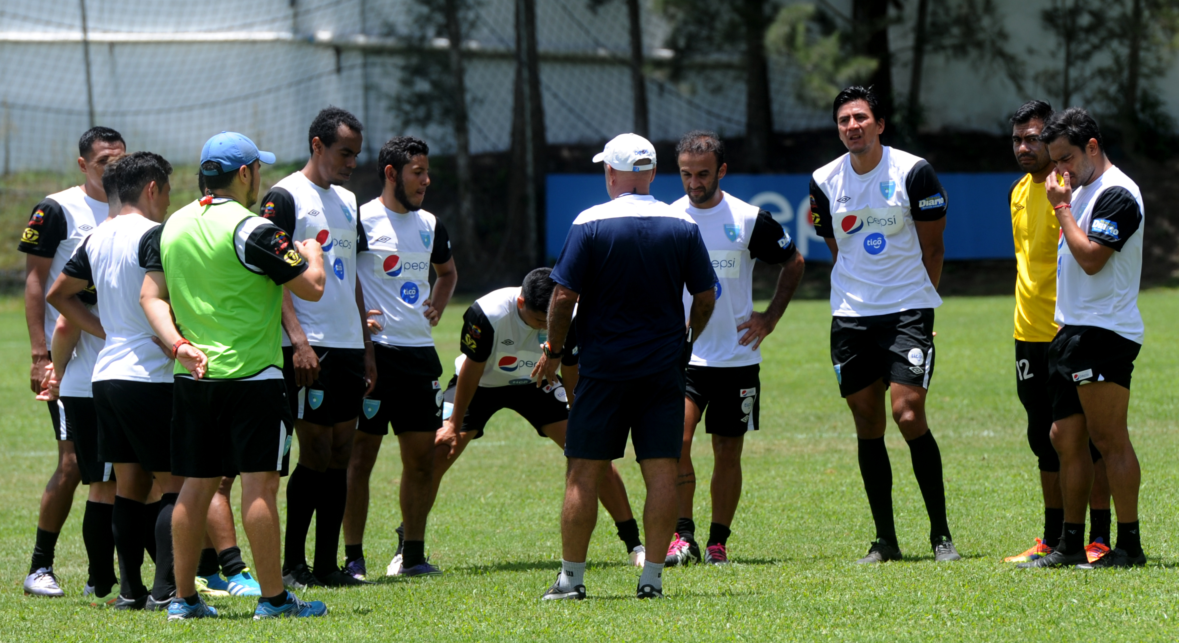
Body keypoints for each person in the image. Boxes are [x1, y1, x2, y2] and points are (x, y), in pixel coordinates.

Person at [139, 131, 328, 619]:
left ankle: (182, 600)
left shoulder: (173, 225)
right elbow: (311, 288)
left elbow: (150, 297)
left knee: (194, 486)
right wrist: (314, 253)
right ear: (245, 174)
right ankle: (274, 599)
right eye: (257, 170)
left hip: (195, 379)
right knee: (259, 487)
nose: (259, 178)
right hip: (253, 378)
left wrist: (179, 345)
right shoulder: (252, 228)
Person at [536, 133, 716, 600]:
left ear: (612, 173)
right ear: (653, 174)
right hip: (662, 369)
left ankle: (571, 581)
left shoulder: (590, 222)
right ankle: (652, 579)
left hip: (602, 370)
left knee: (583, 472)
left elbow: (563, 295)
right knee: (660, 472)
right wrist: (688, 338)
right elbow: (705, 295)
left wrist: (554, 349)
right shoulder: (682, 224)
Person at [809, 86, 960, 564]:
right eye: (843, 120)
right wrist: (855, 289)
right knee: (867, 422)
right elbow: (835, 245)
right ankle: (885, 540)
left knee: (909, 414)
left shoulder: (913, 172)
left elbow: (933, 248)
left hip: (907, 310)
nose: (852, 126)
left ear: (879, 124)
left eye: (860, 118)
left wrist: (921, 303)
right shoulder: (822, 179)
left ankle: (941, 535)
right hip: (851, 316)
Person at [47, 151, 185, 611]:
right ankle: (167, 592)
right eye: (166, 190)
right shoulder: (155, 235)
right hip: (149, 375)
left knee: (127, 485)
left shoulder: (98, 235)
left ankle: (131, 591)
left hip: (106, 376)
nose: (168, 200)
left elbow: (58, 294)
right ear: (151, 188)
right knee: (173, 485)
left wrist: (106, 331)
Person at [436, 268, 646, 567]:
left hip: (537, 381)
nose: (543, 329)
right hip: (483, 383)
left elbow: (571, 369)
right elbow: (472, 368)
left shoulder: (567, 315)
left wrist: (577, 413)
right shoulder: (487, 312)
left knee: (592, 458)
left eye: (548, 324)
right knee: (440, 450)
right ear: (521, 303)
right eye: (538, 322)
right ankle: (408, 548)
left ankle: (634, 545)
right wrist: (454, 425)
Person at [666, 131, 805, 567]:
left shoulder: (748, 218)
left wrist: (770, 318)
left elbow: (794, 262)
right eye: (686, 174)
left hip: (737, 357)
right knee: (677, 441)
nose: (694, 182)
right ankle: (681, 536)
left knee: (728, 451)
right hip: (684, 357)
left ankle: (717, 543)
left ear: (721, 171)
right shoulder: (669, 219)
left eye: (703, 174)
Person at [1017, 108, 1146, 569]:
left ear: (1092, 146)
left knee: (1108, 439)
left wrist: (1061, 207)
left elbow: (1093, 259)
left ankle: (1128, 544)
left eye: (1066, 158)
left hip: (1105, 331)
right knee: (1063, 437)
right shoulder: (1082, 189)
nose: (1059, 171)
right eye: (1054, 161)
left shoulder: (1118, 195)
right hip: (1071, 330)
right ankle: (1070, 544)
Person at [260, 107, 374, 588]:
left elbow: (352, 275)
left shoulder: (349, 200)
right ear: (317, 146)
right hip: (308, 347)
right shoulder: (285, 196)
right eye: (344, 152)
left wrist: (367, 348)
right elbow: (274, 275)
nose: (351, 162)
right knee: (315, 451)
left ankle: (328, 565)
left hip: (348, 345)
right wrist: (299, 340)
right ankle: (293, 565)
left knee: (342, 452)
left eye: (356, 154)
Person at [1002, 101, 1113, 565]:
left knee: (1090, 439)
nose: (1025, 147)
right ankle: (1051, 539)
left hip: (1069, 330)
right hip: (1027, 333)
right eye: (1017, 140)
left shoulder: (1070, 193)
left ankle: (1098, 538)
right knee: (1042, 438)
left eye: (1033, 138)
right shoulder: (1018, 193)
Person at [19, 126, 124, 597]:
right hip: (72, 364)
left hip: (120, 362)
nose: (113, 168)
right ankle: (40, 567)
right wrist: (41, 356)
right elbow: (37, 281)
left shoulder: (132, 206)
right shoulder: (58, 208)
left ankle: (103, 576)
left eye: (120, 159)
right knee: (74, 464)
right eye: (104, 161)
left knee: (122, 468)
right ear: (84, 165)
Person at [350, 136, 458, 578]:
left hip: (418, 359)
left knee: (421, 459)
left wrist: (437, 300)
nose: (426, 181)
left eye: (427, 172)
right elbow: (342, 278)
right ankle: (353, 558)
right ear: (392, 173)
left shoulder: (431, 224)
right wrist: (359, 323)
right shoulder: (359, 219)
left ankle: (412, 554)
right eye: (418, 172)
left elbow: (448, 273)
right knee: (360, 458)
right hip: (374, 359)